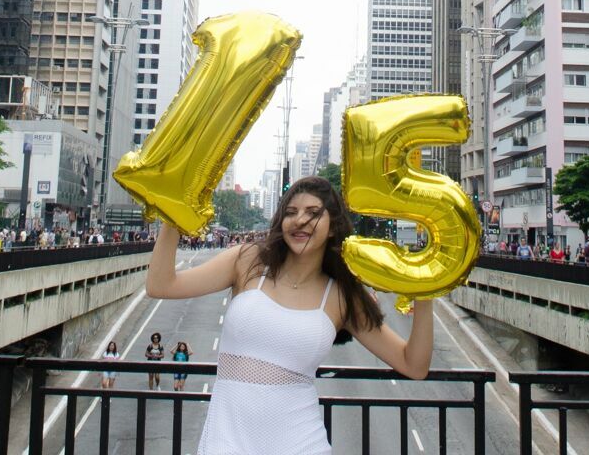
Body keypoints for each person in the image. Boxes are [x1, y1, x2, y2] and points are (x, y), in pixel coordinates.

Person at [144, 175, 435, 455]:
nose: (299, 221)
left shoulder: (340, 296)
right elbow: (161, 284)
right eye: (291, 212)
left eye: (312, 213)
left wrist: (427, 287)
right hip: (226, 442)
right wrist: (174, 213)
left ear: (332, 226)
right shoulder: (248, 262)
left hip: (301, 444)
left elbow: (413, 364)